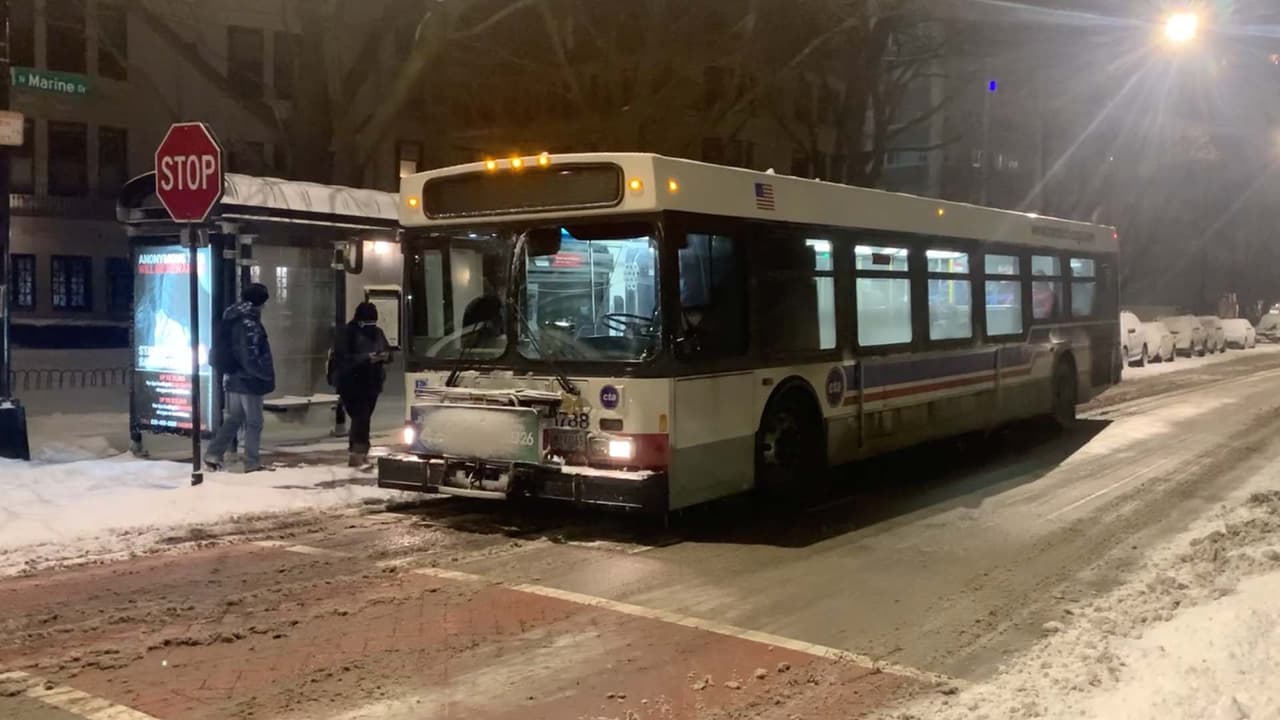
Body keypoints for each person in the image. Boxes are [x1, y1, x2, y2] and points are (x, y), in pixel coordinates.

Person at [205, 283, 276, 473]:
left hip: (233, 375)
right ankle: (252, 462)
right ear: (259, 302)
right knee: (255, 421)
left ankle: (213, 453)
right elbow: (249, 355)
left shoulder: (232, 317)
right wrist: (264, 373)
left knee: (235, 417)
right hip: (248, 379)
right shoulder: (248, 323)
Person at [331, 302, 393, 467]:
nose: (371, 326)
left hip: (372, 383)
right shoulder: (347, 333)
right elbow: (342, 358)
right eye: (368, 322)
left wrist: (384, 356)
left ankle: (358, 452)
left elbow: (388, 352)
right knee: (361, 417)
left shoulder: (378, 333)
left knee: (363, 418)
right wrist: (366, 358)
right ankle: (358, 453)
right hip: (351, 383)